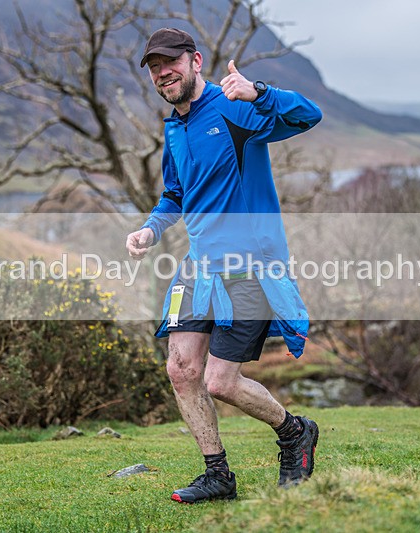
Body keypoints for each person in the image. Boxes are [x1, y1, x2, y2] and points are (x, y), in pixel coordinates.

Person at [126, 27, 322, 504]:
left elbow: (308, 116)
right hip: (200, 267)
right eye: (154, 67)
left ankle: (295, 431)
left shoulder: (236, 108)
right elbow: (175, 194)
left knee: (221, 381)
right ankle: (217, 475)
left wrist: (259, 92)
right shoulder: (174, 127)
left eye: (170, 62)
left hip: (248, 267)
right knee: (181, 369)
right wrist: (152, 228)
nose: (162, 73)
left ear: (195, 61)